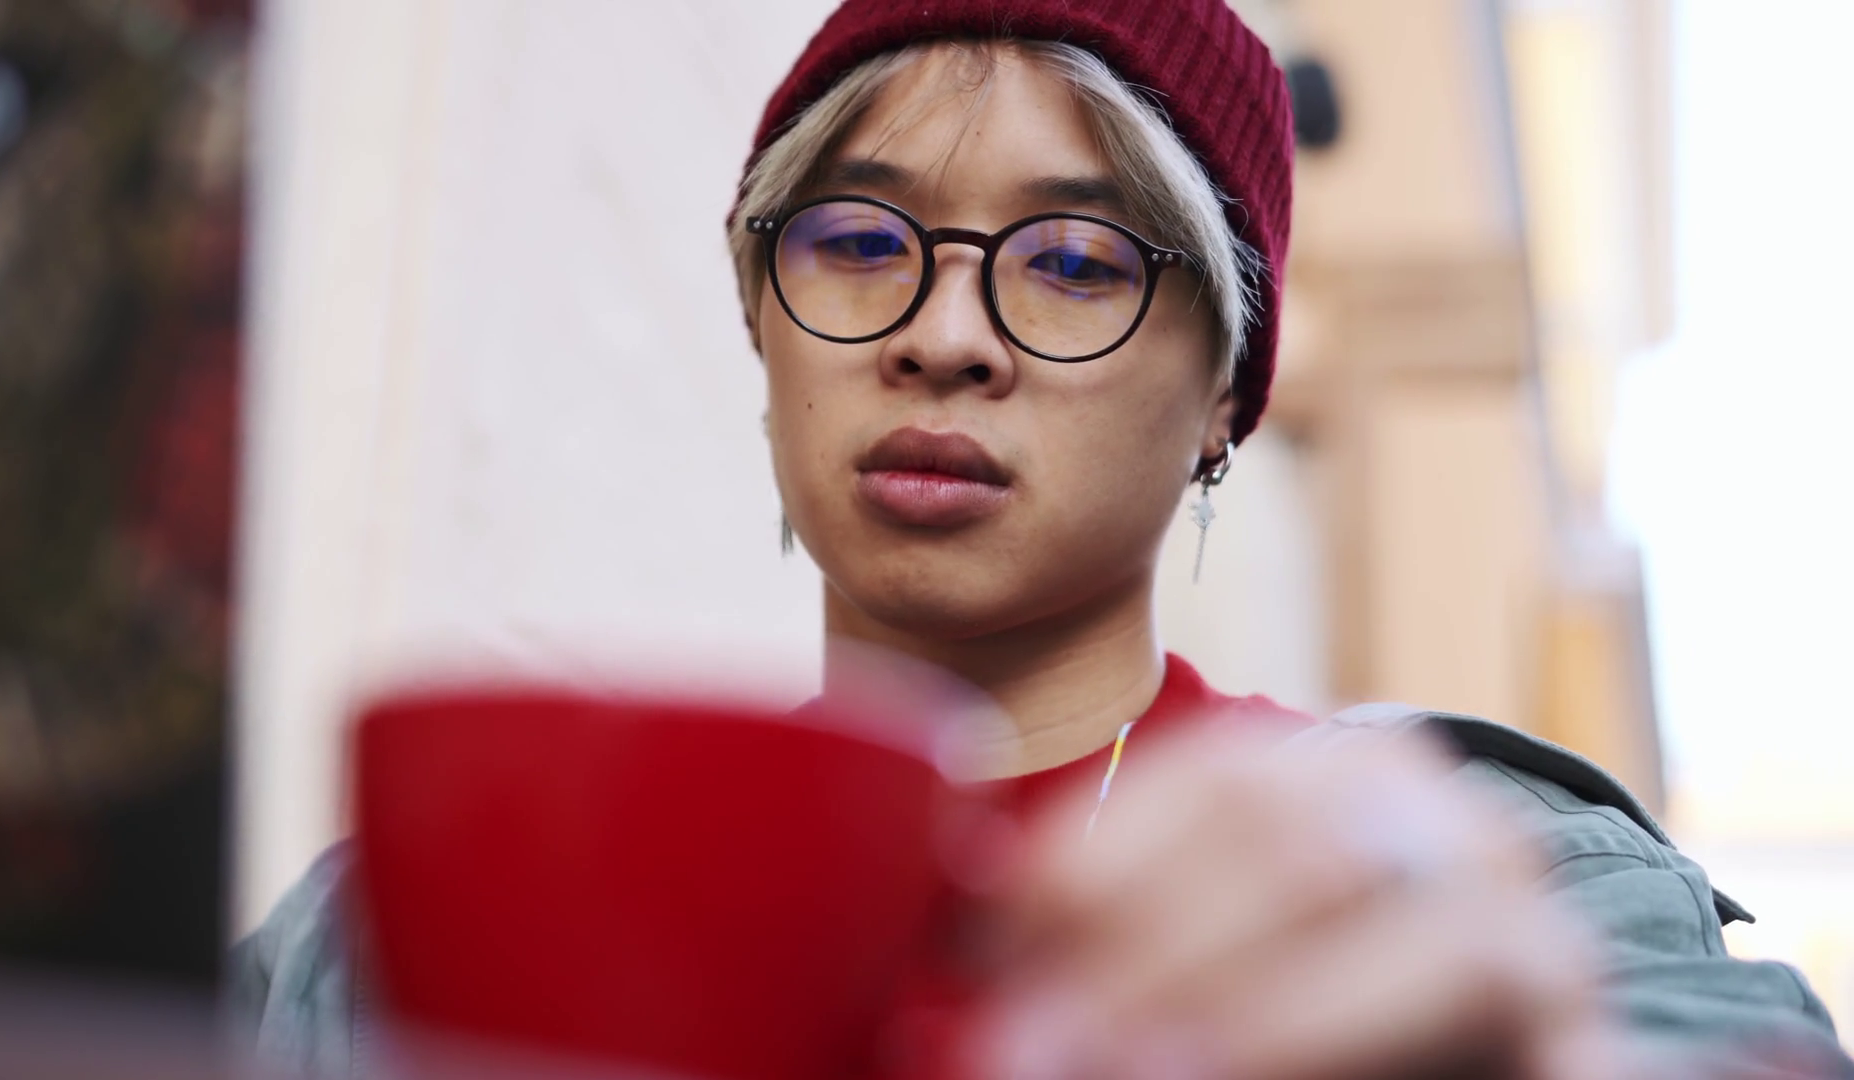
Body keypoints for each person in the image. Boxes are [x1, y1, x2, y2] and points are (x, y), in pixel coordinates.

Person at [232, 1, 1852, 1077]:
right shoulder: (381, 938)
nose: (942, 335)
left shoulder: (1488, 874)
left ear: (1224, 394)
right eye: (857, 239)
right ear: (759, 320)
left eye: (1075, 262)